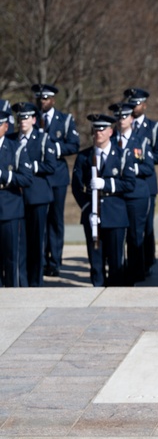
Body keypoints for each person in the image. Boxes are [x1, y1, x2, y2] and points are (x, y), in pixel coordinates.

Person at [71, 114, 136, 287]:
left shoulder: (122, 155)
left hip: (115, 213)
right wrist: (87, 208)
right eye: (96, 129)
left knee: (116, 261)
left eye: (102, 129)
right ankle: (97, 290)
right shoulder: (84, 157)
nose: (98, 132)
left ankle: (116, 294)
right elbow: (77, 187)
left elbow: (130, 184)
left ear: (110, 131)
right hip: (93, 214)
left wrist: (107, 184)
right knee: (96, 261)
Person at [31, 83, 78, 278]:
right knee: (39, 220)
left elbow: (73, 144)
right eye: (40, 98)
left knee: (56, 220)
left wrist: (53, 151)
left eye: (46, 98)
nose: (42, 101)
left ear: (53, 100)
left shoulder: (65, 120)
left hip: (57, 176)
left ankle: (55, 261)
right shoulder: (31, 119)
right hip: (38, 177)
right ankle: (40, 260)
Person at [10, 102, 55, 287]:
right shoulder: (11, 140)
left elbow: (51, 166)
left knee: (36, 242)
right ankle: (22, 280)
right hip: (16, 198)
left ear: (34, 120)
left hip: (37, 197)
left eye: (26, 117)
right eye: (20, 117)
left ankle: (36, 281)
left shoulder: (42, 139)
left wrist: (31, 168)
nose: (23, 121)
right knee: (20, 243)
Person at [110, 101, 154, 285]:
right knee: (118, 235)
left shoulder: (141, 141)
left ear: (132, 118)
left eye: (125, 116)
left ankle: (137, 271)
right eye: (118, 117)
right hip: (118, 195)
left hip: (136, 194)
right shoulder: (110, 141)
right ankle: (119, 271)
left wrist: (130, 168)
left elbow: (149, 167)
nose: (121, 120)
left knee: (136, 235)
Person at [125, 88, 158, 276]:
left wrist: (142, 160)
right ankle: (133, 263)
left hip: (146, 183)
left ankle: (148, 261)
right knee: (130, 227)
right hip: (126, 185)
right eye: (132, 103)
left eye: (138, 104)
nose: (134, 107)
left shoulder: (153, 127)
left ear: (144, 105)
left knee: (146, 226)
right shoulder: (123, 125)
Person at [0, 102, 30, 287]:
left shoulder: (15, 148)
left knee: (13, 258)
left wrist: (3, 175)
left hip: (10, 207)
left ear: (5, 126)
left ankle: (17, 295)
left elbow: (26, 178)